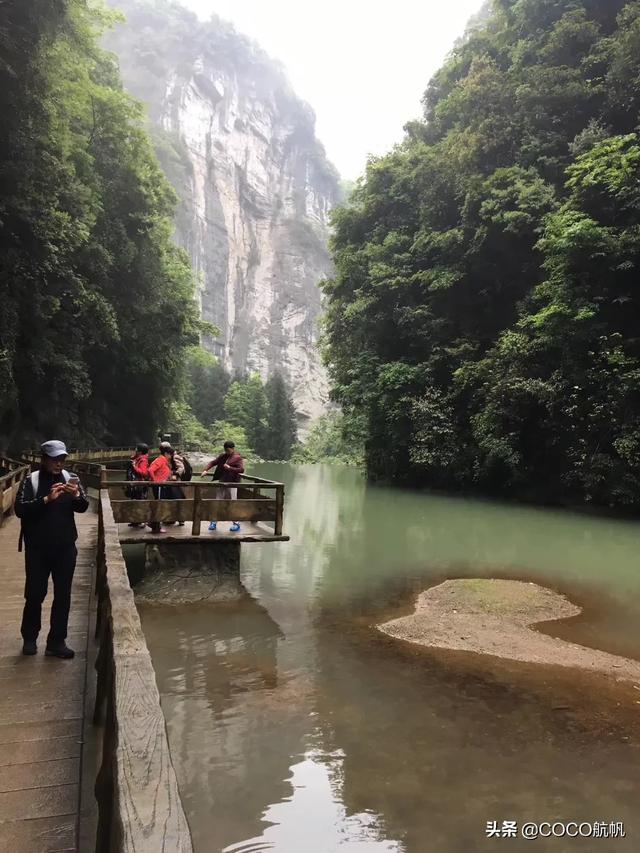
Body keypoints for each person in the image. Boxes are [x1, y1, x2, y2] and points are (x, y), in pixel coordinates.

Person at [15, 440, 89, 658]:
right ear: (44, 459)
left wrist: (75, 495)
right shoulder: (32, 480)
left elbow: (83, 507)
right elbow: (20, 510)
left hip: (65, 547)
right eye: (54, 459)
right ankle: (29, 638)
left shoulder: (69, 479)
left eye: (62, 459)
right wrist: (47, 499)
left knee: (63, 595)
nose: (59, 464)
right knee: (35, 594)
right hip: (37, 548)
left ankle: (56, 641)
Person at [201, 441, 245, 532]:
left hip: (232, 483)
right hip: (222, 482)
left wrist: (230, 468)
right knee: (217, 501)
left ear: (233, 449)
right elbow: (213, 462)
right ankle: (214, 521)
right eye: (225, 450)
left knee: (233, 502)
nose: (227, 452)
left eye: (228, 450)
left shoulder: (237, 458)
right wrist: (206, 470)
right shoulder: (223, 456)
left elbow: (241, 469)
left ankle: (236, 523)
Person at [147, 444, 174, 533]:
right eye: (170, 454)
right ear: (166, 453)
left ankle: (154, 524)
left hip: (161, 486)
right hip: (158, 486)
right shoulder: (160, 460)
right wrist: (155, 481)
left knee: (160, 504)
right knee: (159, 505)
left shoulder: (163, 460)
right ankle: (155, 525)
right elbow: (150, 470)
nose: (171, 457)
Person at [126, 443, 150, 527]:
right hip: (135, 484)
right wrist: (133, 459)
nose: (135, 450)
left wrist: (133, 466)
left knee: (140, 502)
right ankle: (135, 521)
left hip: (140, 485)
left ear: (140, 451)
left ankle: (142, 521)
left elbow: (144, 473)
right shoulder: (138, 459)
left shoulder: (143, 460)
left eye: (136, 449)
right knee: (134, 501)